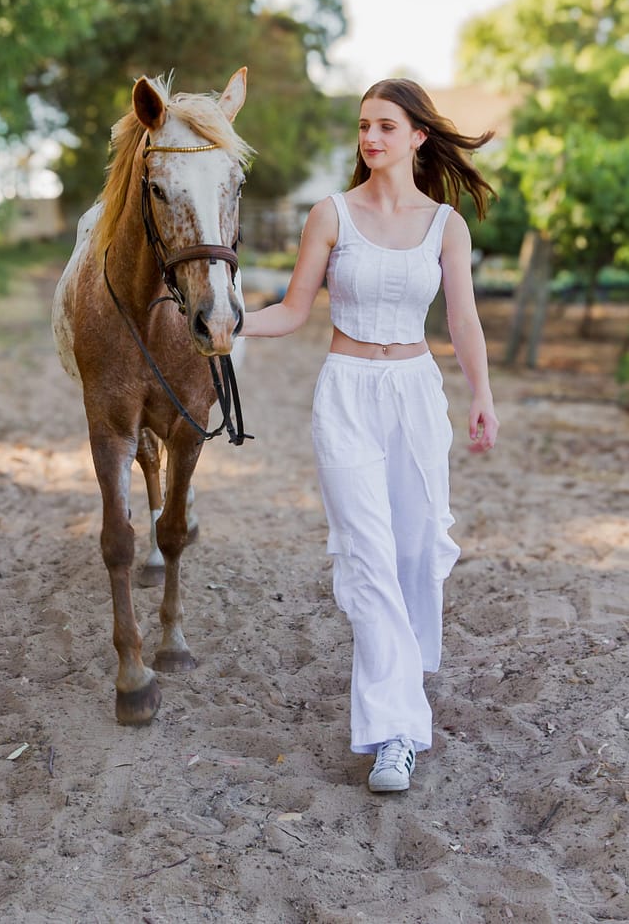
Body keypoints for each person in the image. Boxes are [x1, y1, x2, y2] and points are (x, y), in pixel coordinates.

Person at [241, 78, 499, 792]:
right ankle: (394, 735)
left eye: (385, 125)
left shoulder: (446, 224)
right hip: (346, 396)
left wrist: (480, 394)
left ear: (418, 136)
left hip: (416, 398)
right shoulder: (330, 215)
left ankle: (399, 685)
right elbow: (293, 310)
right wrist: (230, 320)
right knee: (370, 555)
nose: (370, 138)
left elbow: (462, 319)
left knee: (415, 552)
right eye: (362, 126)